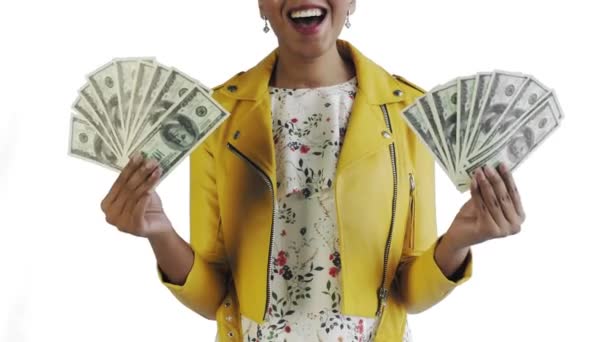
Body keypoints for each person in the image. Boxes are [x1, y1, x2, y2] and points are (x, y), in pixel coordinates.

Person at [100, 1, 526, 341]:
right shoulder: (217, 118)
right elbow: (215, 294)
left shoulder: (407, 113)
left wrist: (461, 239)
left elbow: (409, 293)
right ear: (261, 6)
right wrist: (159, 232)